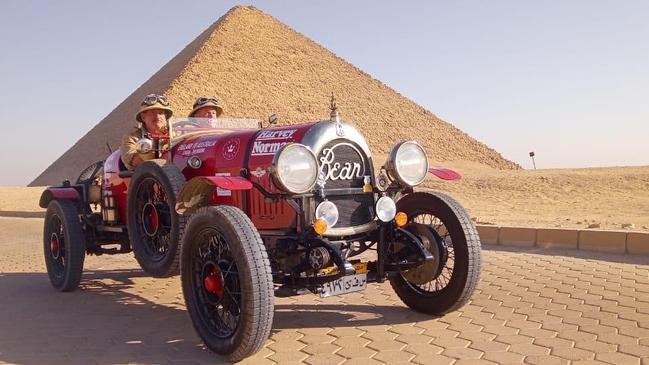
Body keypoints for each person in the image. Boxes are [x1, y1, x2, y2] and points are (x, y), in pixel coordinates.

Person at [120, 93, 173, 170]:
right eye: (152, 113)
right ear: (143, 117)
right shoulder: (132, 137)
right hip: (148, 178)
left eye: (161, 113)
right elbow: (134, 161)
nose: (157, 117)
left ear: (165, 117)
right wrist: (156, 145)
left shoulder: (176, 132)